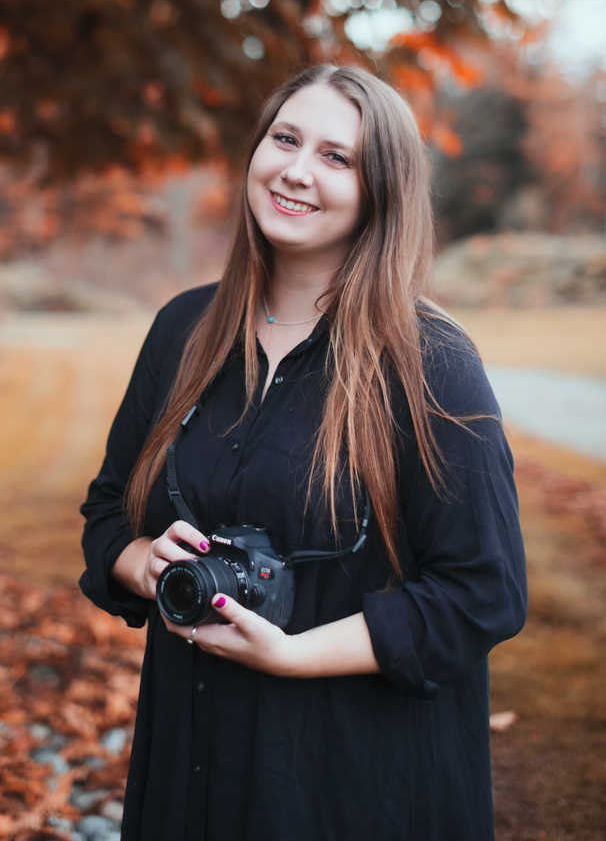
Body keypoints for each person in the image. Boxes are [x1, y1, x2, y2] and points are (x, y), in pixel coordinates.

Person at [79, 64, 528, 841]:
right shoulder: (183, 331)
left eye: (335, 157)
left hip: (355, 779)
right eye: (285, 139)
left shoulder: (431, 360)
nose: (295, 170)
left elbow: (482, 592)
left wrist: (292, 655)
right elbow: (108, 512)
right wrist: (142, 563)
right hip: (191, 762)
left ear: (379, 190)